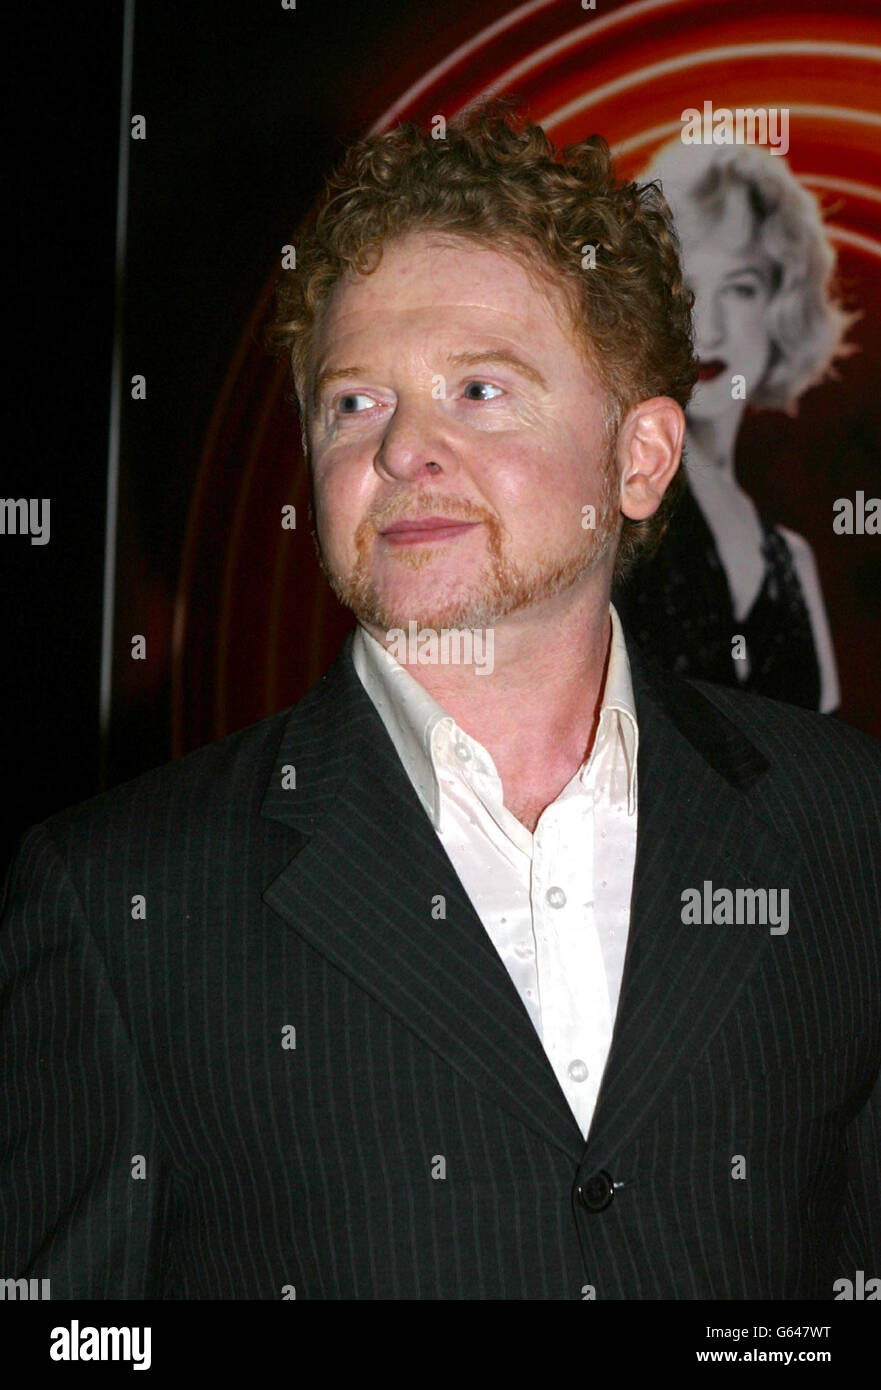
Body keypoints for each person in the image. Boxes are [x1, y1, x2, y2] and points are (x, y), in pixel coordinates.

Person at [1, 99, 878, 1300]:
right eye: (354, 401)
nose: (401, 448)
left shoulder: (843, 828)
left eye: (477, 389)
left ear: (639, 458)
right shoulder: (117, 899)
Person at [614, 139, 856, 711]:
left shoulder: (791, 561)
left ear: (783, 306)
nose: (712, 327)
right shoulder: (610, 512)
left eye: (741, 289)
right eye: (688, 289)